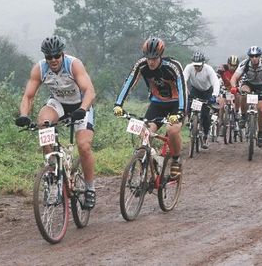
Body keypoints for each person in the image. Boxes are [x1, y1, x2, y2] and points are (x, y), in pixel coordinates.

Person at [15, 36, 97, 209]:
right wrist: (23, 114)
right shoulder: (40, 69)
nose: (53, 60)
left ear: (62, 54)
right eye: (49, 57)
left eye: (56, 56)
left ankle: (90, 188)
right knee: (43, 124)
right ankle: (52, 176)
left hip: (81, 105)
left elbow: (89, 91)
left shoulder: (73, 64)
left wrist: (82, 109)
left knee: (84, 146)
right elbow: (28, 96)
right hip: (58, 103)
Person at [113, 37, 187, 177]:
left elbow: (182, 88)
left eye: (154, 58)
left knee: (172, 130)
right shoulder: (141, 65)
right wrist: (118, 104)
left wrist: (180, 112)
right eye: (148, 58)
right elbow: (129, 82)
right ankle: (149, 162)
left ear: (161, 55)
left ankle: (176, 159)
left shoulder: (173, 66)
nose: (151, 61)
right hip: (157, 103)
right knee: (145, 132)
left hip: (176, 103)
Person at [229, 46, 262, 148]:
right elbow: (234, 77)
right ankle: (243, 116)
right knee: (243, 92)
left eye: (256, 56)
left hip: (261, 86)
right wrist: (234, 86)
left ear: (260, 56)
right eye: (252, 56)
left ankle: (261, 133)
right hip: (248, 84)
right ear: (249, 57)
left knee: (261, 109)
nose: (254, 58)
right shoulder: (245, 63)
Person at [183, 51, 220, 149]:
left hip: (207, 92)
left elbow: (216, 83)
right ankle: (190, 119)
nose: (197, 67)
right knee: (188, 103)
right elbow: (183, 79)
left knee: (205, 115)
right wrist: (184, 89)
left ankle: (205, 135)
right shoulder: (189, 67)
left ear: (203, 63)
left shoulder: (209, 69)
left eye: (199, 66)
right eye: (195, 65)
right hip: (195, 90)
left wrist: (214, 95)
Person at [216, 55, 242, 124]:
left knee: (238, 96)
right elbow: (216, 78)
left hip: (235, 89)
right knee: (221, 105)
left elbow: (243, 80)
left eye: (234, 66)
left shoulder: (239, 71)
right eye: (231, 65)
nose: (232, 67)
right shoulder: (223, 69)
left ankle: (236, 111)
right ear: (228, 64)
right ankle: (220, 121)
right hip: (225, 89)